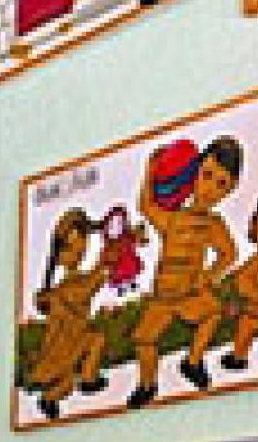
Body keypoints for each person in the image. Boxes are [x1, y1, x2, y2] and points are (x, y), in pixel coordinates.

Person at [128, 136, 242, 410]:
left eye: (221, 184)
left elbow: (229, 254)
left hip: (190, 293)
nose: (210, 188)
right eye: (207, 175)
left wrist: (208, 277)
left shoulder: (214, 224)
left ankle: (193, 361)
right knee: (143, 339)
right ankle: (147, 384)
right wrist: (150, 169)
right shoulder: (173, 218)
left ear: (230, 190)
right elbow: (145, 206)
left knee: (212, 314)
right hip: (163, 296)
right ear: (195, 172)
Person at [24, 208, 112, 421]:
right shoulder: (65, 287)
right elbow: (87, 288)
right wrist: (104, 265)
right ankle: (51, 397)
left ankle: (88, 379)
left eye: (83, 246)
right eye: (72, 248)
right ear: (59, 256)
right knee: (67, 382)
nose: (79, 252)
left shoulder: (75, 280)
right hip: (63, 346)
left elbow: (90, 281)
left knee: (96, 340)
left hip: (75, 338)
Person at [222, 187, 258, 380]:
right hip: (257, 304)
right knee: (246, 323)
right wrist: (249, 293)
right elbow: (242, 279)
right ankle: (239, 355)